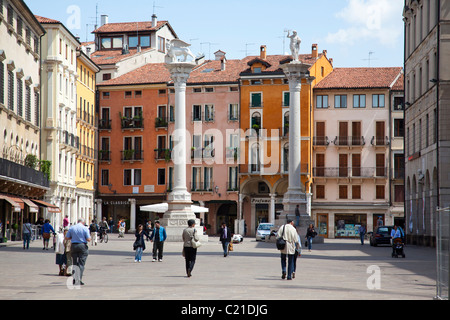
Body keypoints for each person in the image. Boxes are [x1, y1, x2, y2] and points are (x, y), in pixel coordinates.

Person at [65, 218, 91, 286]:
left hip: (74, 246)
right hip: (82, 246)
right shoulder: (85, 228)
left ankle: (74, 279)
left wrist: (73, 238)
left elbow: (66, 237)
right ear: (83, 222)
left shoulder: (72, 228)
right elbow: (88, 239)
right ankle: (79, 279)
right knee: (81, 264)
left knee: (74, 263)